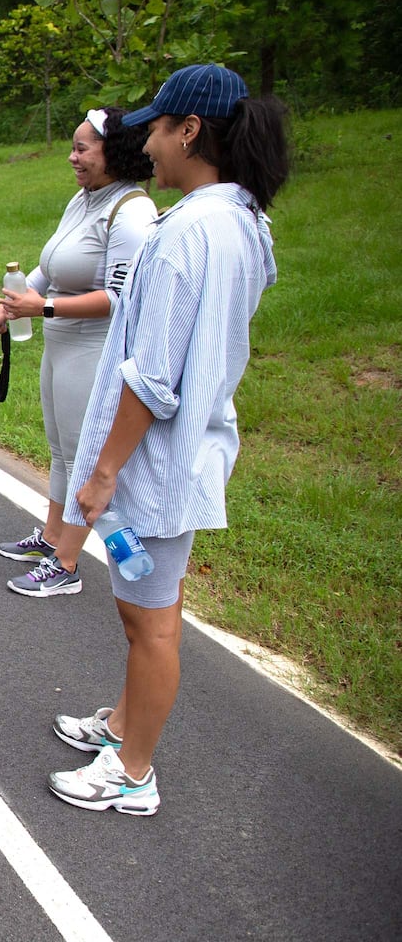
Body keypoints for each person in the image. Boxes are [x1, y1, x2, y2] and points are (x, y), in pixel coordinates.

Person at [46, 64, 290, 815]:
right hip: (185, 447)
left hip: (154, 459)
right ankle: (123, 726)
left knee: (150, 621)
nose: (146, 144)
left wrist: (105, 471)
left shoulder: (188, 232)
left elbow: (153, 377)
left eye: (155, 128)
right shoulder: (243, 219)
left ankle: (134, 771)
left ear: (190, 131)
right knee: (147, 606)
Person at [0, 108, 158, 598]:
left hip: (95, 350)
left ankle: (67, 564)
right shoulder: (83, 200)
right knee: (62, 449)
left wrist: (44, 308)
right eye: (74, 146)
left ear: (114, 153)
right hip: (62, 344)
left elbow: (120, 297)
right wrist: (11, 308)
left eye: (83, 148)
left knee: (85, 453)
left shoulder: (133, 212)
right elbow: (49, 267)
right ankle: (52, 536)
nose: (72, 156)